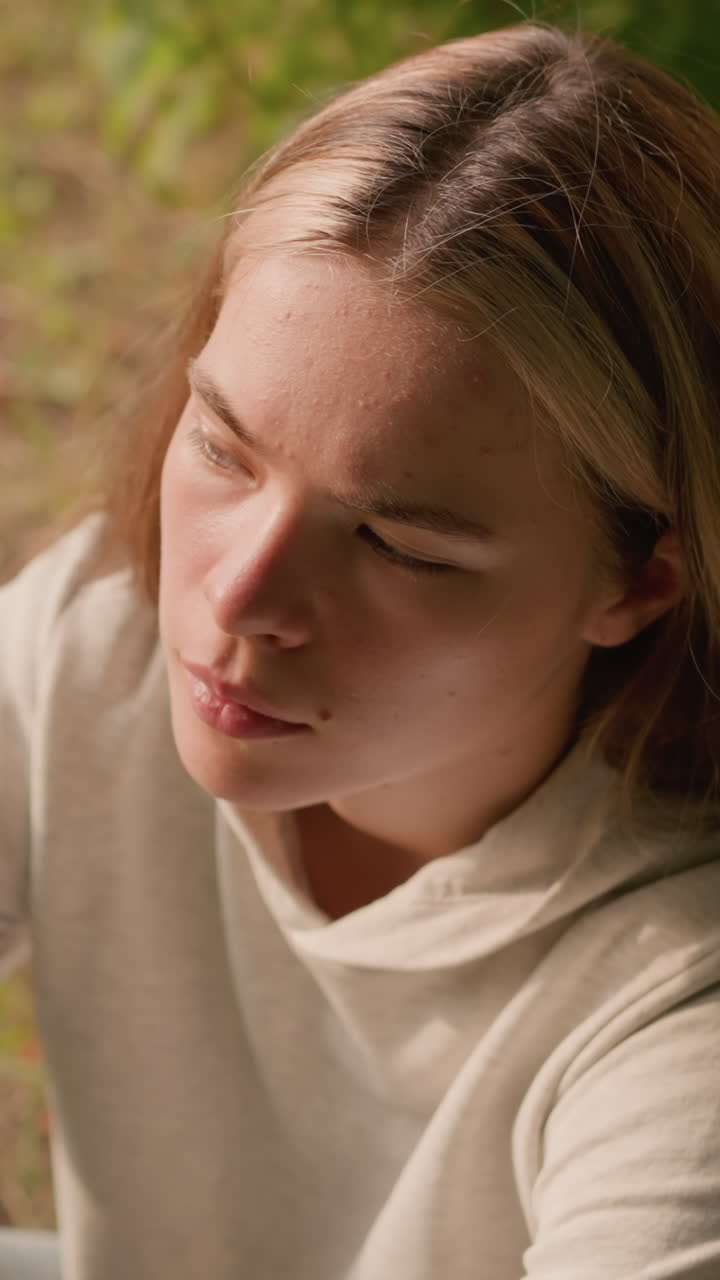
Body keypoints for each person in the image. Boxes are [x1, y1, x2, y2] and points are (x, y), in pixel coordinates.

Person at [1, 19, 719, 1280]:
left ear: (642, 576)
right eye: (224, 448)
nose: (236, 593)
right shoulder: (101, 642)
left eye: (400, 542)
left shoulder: (678, 990)